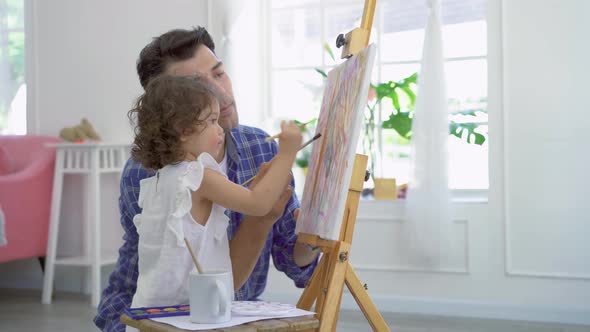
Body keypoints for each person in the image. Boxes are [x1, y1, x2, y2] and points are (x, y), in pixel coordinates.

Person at [95, 27, 320, 332]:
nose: (222, 94)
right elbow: (136, 271)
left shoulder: (258, 146)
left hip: (220, 309)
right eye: (197, 87)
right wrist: (288, 153)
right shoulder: (155, 172)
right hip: (165, 315)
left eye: (219, 74)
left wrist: (318, 229)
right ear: (173, 118)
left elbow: (290, 262)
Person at [126, 74, 301, 312]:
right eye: (212, 121)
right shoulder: (198, 175)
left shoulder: (162, 178)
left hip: (150, 310)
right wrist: (287, 153)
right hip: (183, 316)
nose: (220, 130)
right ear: (185, 130)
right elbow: (259, 203)